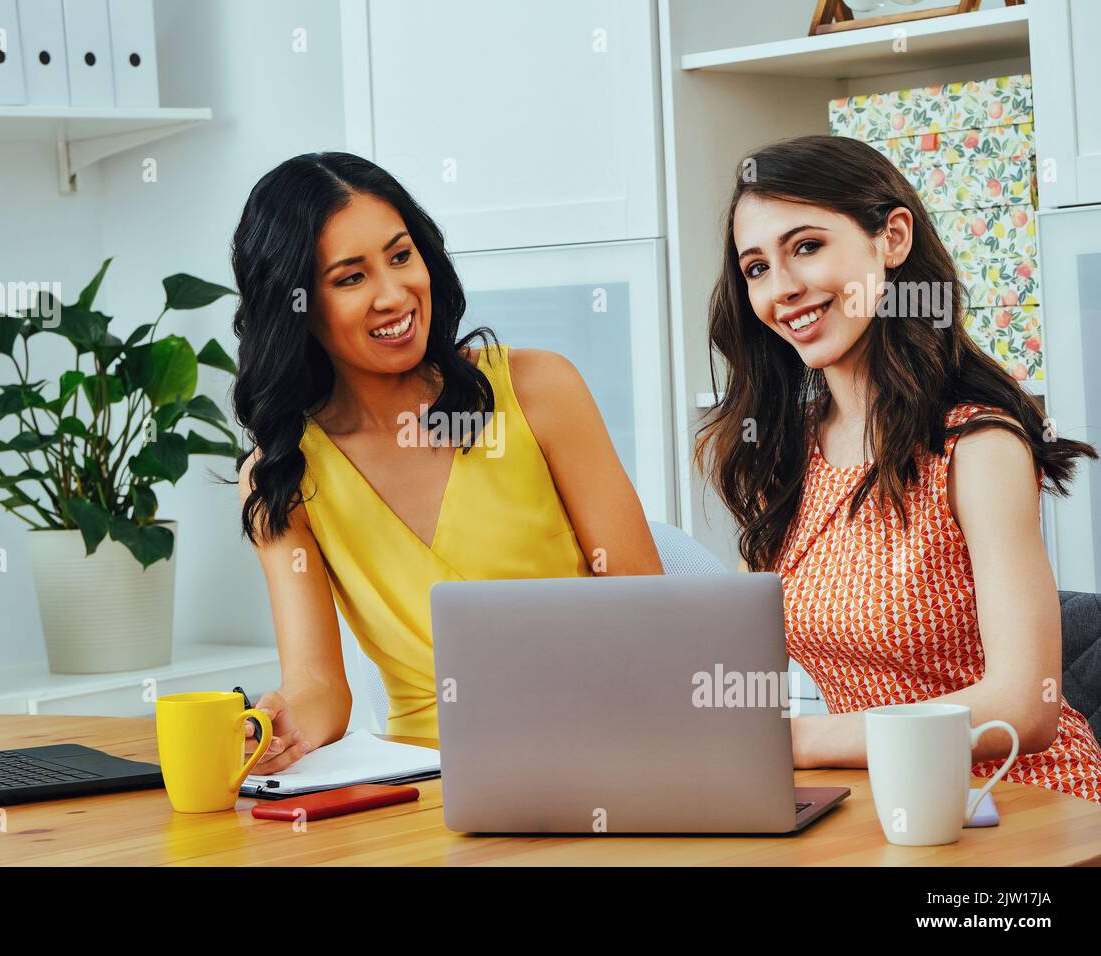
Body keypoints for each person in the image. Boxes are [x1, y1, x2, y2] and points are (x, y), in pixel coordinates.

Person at [696, 134, 1101, 804]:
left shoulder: (976, 446)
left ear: (893, 237)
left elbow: (1024, 707)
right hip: (886, 808)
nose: (784, 289)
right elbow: (727, 662)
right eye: (757, 268)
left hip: (1024, 809)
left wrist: (796, 741)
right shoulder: (786, 457)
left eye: (806, 247)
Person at [230, 152, 662, 773]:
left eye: (401, 256)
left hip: (601, 754)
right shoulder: (281, 475)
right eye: (351, 278)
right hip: (429, 785)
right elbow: (319, 686)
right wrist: (285, 721)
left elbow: (649, 615)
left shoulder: (538, 389)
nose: (393, 293)